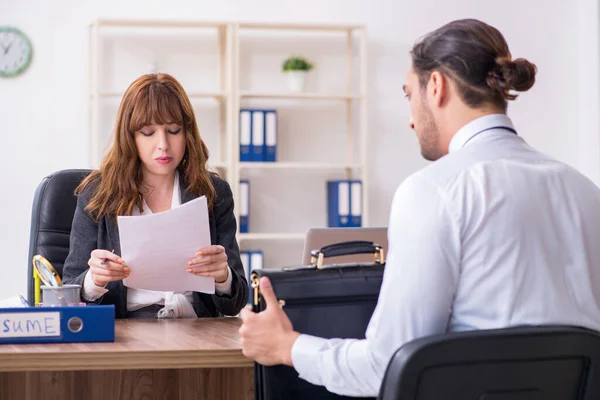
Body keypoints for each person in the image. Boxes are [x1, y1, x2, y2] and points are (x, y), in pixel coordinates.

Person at [239, 18, 600, 397]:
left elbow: (387, 366)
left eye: (409, 94)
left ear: (437, 86)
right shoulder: (585, 191)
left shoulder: (433, 191)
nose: (411, 120)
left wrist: (288, 346)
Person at [62, 73, 248, 319]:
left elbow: (235, 303)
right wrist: (93, 280)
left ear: (187, 134)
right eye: (148, 133)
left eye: (173, 130)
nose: (163, 144)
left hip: (196, 328)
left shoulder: (213, 193)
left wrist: (223, 276)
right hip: (126, 331)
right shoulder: (97, 194)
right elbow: (67, 295)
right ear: (130, 137)